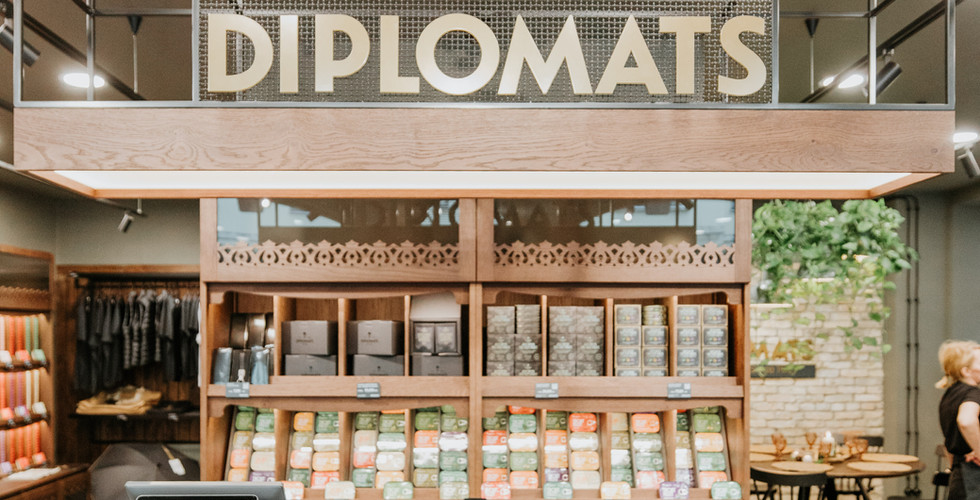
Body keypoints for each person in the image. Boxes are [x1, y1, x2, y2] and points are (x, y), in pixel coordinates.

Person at [937, 340, 980, 500]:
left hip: (959, 476)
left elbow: (949, 439)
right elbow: (966, 421)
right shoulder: (973, 393)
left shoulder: (948, 395)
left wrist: (955, 466)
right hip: (974, 477)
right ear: (966, 371)